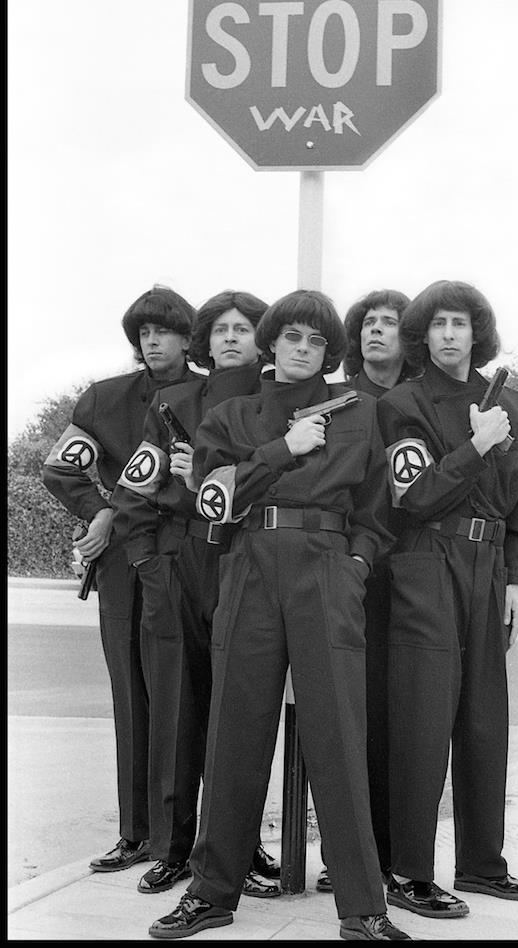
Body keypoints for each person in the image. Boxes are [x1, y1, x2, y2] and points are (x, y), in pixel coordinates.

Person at [149, 290, 411, 941]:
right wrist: (280, 450)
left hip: (326, 568)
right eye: (291, 337)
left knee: (338, 736)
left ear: (329, 351)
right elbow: (213, 500)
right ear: (272, 344)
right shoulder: (233, 414)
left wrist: (353, 566)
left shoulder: (364, 414)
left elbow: (378, 512)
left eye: (315, 342)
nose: (301, 349)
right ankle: (210, 894)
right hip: (248, 565)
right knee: (234, 731)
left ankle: (362, 908)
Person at [376, 279, 518, 920]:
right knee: (424, 715)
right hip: (426, 560)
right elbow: (413, 497)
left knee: (483, 715)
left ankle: (481, 865)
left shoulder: (515, 406)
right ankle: (408, 872)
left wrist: (516, 578)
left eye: (461, 324)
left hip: (490, 562)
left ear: (479, 333)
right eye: (439, 324)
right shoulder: (404, 404)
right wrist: (475, 447)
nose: (450, 335)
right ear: (424, 334)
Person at [111, 290, 281, 898]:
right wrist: (147, 561)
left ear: (262, 338)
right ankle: (173, 847)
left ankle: (242, 843)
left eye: (245, 328)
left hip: (248, 559)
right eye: (221, 329)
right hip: (181, 560)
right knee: (177, 707)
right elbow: (136, 488)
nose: (232, 337)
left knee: (241, 709)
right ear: (204, 341)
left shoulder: (275, 403)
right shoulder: (173, 401)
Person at [43, 284, 200, 872]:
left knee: (184, 696)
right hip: (120, 568)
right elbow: (62, 467)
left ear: (188, 337)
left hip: (184, 559)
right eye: (143, 332)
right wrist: (100, 512)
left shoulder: (206, 396)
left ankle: (183, 840)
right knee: (129, 694)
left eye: (163, 330)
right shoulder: (103, 400)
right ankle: (136, 834)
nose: (152, 340)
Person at [315, 288, 411, 895]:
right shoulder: (340, 401)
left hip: (420, 576)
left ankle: (396, 858)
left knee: (404, 719)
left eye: (390, 323)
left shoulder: (419, 400)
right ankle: (346, 858)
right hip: (353, 571)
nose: (376, 331)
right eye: (367, 323)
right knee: (351, 717)